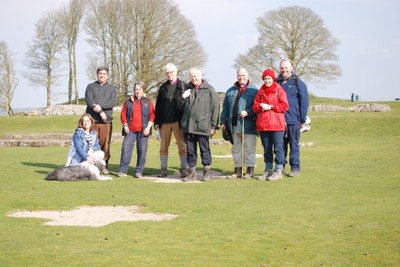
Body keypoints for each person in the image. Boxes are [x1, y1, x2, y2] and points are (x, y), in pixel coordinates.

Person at [177, 68, 220, 182]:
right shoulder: (186, 89)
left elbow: (215, 109)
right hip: (188, 126)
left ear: (201, 76)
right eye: (191, 76)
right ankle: (192, 173)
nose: (194, 78)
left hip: (203, 125)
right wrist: (182, 97)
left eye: (195, 76)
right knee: (190, 150)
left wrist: (213, 126)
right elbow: (179, 107)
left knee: (204, 149)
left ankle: (206, 172)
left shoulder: (210, 90)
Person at [220, 68, 258, 179]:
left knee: (249, 148)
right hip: (234, 125)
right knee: (236, 148)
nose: (241, 77)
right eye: (239, 75)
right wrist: (222, 122)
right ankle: (237, 169)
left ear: (248, 75)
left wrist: (248, 112)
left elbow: (257, 107)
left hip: (249, 125)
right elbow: (225, 108)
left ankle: (250, 170)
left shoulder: (254, 90)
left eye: (243, 75)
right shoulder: (230, 91)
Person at [253, 68, 289, 181]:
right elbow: (254, 107)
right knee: (267, 149)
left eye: (269, 79)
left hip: (277, 125)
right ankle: (268, 170)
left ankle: (278, 170)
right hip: (263, 125)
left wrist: (272, 107)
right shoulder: (260, 91)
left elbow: (284, 106)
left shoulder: (279, 90)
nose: (267, 81)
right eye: (265, 79)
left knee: (278, 148)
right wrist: (260, 106)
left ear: (273, 79)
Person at [276, 59, 309, 177]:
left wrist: (302, 120)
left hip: (293, 120)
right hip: (278, 120)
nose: (284, 70)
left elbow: (304, 101)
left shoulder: (298, 82)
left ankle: (295, 168)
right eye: (282, 68)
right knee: (280, 145)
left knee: (294, 144)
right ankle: (281, 167)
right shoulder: (276, 82)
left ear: (291, 68)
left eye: (286, 68)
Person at [154, 63, 188, 178]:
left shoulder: (184, 86)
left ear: (176, 72)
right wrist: (157, 121)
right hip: (164, 122)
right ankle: (163, 169)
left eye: (171, 72)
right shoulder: (163, 87)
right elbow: (158, 105)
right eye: (167, 73)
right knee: (163, 147)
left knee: (182, 146)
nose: (169, 74)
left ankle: (184, 169)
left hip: (178, 122)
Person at [117, 81, 155, 178]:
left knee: (142, 150)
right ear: (134, 90)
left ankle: (139, 171)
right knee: (126, 148)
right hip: (130, 130)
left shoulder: (148, 101)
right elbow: (123, 114)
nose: (138, 91)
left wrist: (148, 127)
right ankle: (122, 170)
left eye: (139, 89)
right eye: (136, 89)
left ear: (143, 90)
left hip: (143, 131)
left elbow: (152, 115)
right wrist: (125, 125)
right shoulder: (128, 101)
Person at [85, 66, 118, 174]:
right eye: (100, 73)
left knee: (105, 144)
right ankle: (91, 165)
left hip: (106, 122)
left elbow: (112, 102)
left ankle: (104, 165)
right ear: (97, 75)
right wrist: (100, 112)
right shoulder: (90, 87)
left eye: (104, 74)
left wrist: (101, 107)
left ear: (107, 76)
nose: (102, 75)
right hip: (92, 121)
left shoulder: (112, 88)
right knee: (91, 143)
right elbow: (90, 101)